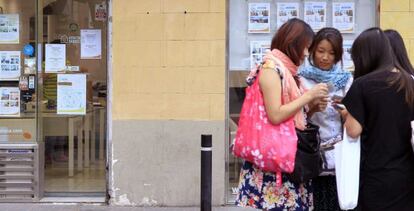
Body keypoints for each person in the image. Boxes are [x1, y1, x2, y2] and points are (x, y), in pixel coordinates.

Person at [236, 18, 329, 210]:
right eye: (305, 47)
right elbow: (276, 115)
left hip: (287, 157)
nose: (305, 54)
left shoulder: (288, 72)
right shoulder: (271, 68)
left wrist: (311, 109)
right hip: (273, 160)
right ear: (292, 43)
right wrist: (309, 95)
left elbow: (292, 118)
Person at [340, 27, 414, 210]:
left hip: (374, 174)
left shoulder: (361, 85)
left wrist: (346, 113)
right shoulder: (409, 82)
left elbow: (353, 130)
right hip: (406, 174)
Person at [298, 27, 352, 211]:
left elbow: (354, 118)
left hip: (339, 153)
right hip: (310, 153)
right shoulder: (301, 79)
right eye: (321, 51)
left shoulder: (346, 80)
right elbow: (294, 118)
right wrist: (312, 109)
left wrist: (344, 112)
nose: (325, 57)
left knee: (337, 203)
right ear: (312, 50)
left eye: (332, 53)